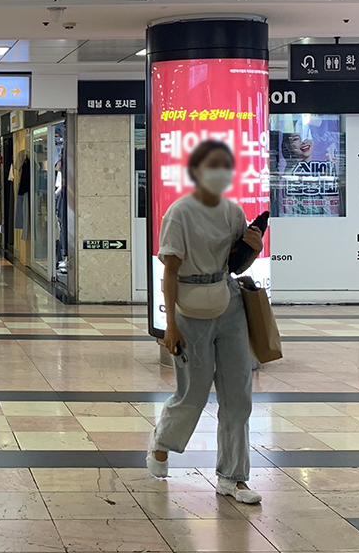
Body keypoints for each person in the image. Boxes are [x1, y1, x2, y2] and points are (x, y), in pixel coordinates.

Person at [148, 139, 264, 504]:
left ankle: (233, 477)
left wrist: (253, 247)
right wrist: (171, 324)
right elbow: (170, 272)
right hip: (190, 307)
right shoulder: (179, 213)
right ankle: (162, 445)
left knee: (238, 395)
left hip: (228, 302)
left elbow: (235, 265)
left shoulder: (232, 211)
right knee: (193, 391)